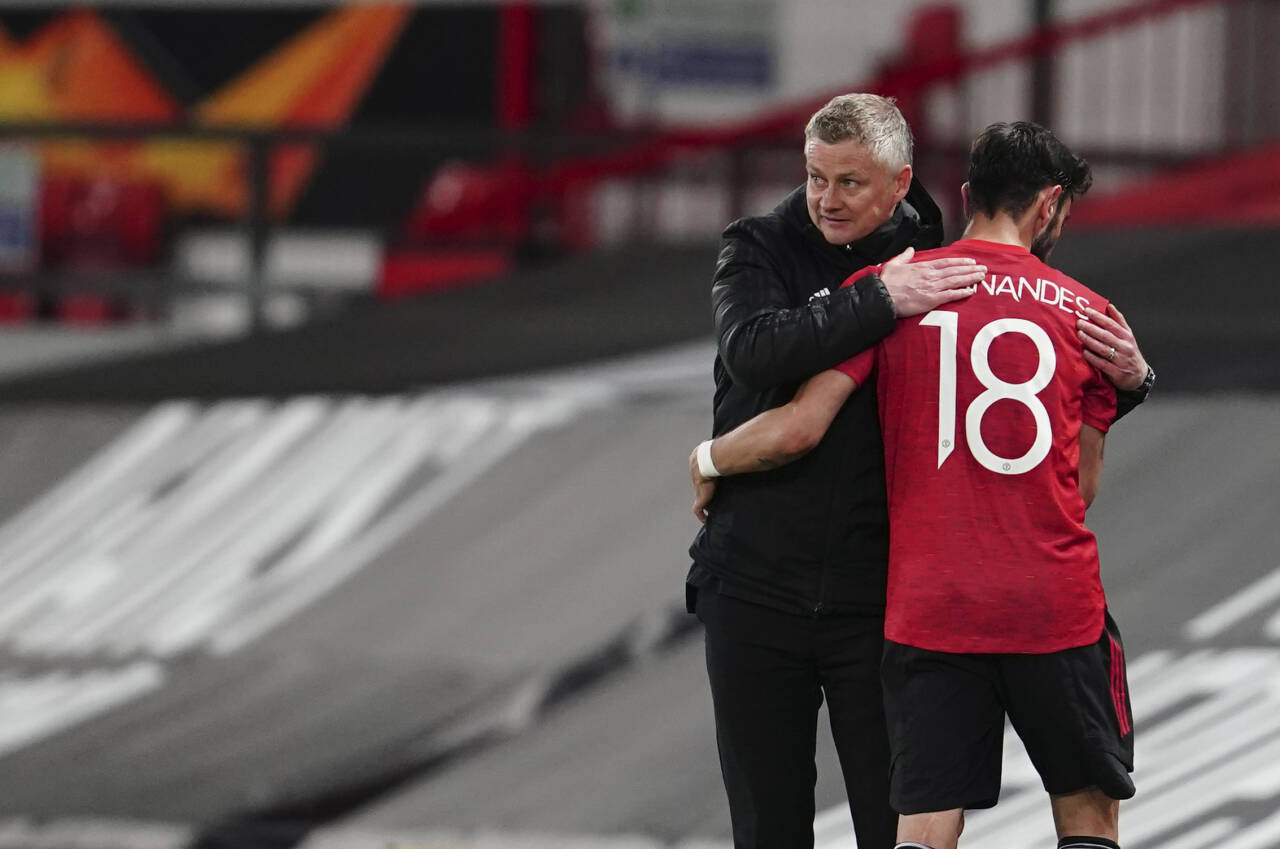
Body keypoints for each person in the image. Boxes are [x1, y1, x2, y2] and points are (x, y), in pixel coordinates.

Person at [686, 94, 1152, 849]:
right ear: (1051, 206)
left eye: (848, 182)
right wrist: (1132, 386)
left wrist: (708, 459)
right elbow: (1082, 485)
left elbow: (802, 425)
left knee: (918, 823)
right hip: (1041, 601)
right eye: (815, 178)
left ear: (930, 190)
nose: (825, 199)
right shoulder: (1081, 313)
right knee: (1087, 809)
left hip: (919, 603)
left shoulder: (912, 280)